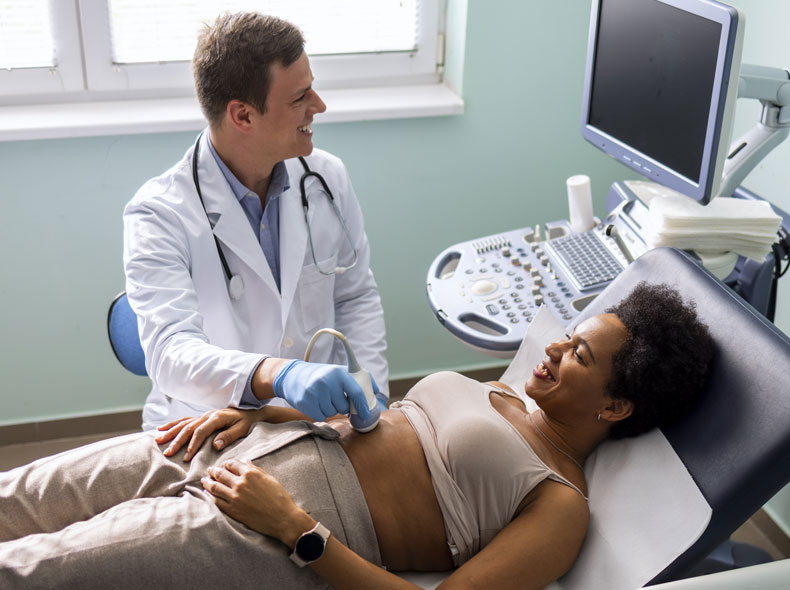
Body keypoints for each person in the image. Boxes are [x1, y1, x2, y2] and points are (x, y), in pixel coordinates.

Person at [0, 283, 714, 589]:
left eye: (579, 356)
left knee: (41, 569)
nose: (553, 352)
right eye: (566, 337)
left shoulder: (561, 505)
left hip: (275, 523)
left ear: (616, 408)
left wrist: (298, 532)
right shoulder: (501, 390)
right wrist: (262, 414)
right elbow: (377, 424)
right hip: (243, 446)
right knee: (20, 493)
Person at [123, 12, 388, 431]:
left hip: (320, 421)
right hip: (208, 425)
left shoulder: (326, 178)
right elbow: (170, 352)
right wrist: (277, 374)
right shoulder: (159, 214)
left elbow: (355, 297)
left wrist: (372, 390)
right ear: (243, 116)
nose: (318, 106)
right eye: (300, 97)